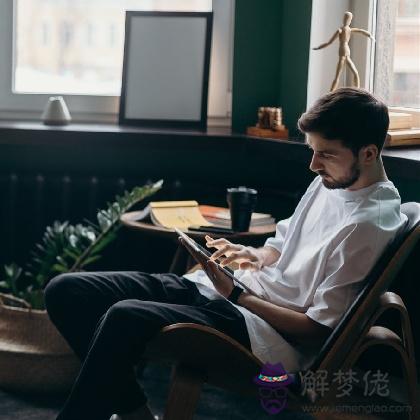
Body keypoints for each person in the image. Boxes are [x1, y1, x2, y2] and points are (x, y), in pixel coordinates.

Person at [45, 88, 406, 420]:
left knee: (124, 316)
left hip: (260, 331)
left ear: (368, 153)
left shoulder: (368, 224)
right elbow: (282, 246)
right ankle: (135, 412)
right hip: (230, 293)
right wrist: (252, 255)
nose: (313, 164)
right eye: (312, 150)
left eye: (325, 154)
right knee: (66, 291)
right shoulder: (329, 182)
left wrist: (236, 295)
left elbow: (315, 331)